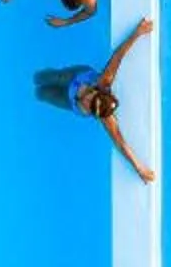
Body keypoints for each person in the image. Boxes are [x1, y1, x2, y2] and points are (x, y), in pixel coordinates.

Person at [37, 16, 156, 184]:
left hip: (69, 103)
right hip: (74, 78)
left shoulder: (105, 118)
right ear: (97, 91)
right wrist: (138, 33)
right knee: (52, 77)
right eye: (91, 100)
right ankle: (37, 77)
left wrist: (139, 168)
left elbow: (121, 143)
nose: (87, 104)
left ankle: (39, 93)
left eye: (91, 109)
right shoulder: (104, 80)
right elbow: (118, 56)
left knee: (45, 95)